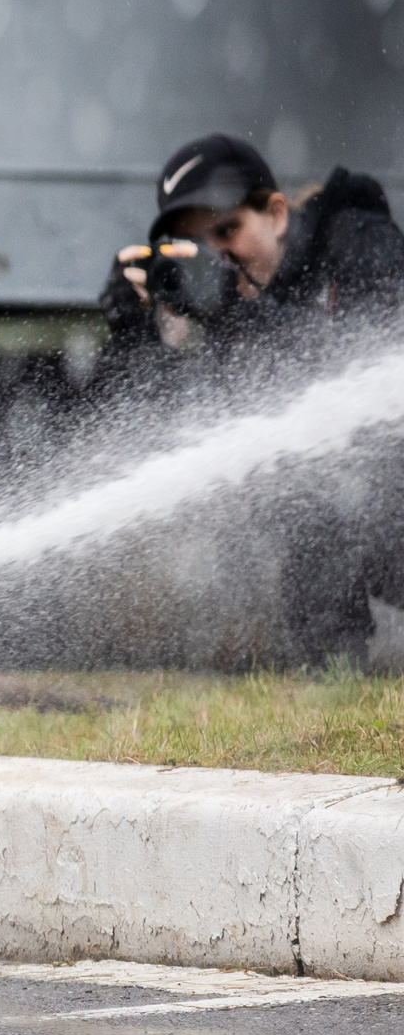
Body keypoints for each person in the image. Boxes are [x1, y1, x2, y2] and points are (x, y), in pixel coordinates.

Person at [98, 133, 404, 665]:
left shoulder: (357, 241)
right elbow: (169, 446)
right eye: (198, 248)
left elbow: (371, 372)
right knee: (301, 483)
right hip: (364, 523)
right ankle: (338, 675)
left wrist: (237, 316)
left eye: (228, 231)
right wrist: (132, 339)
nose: (220, 260)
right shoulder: (237, 322)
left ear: (278, 215)